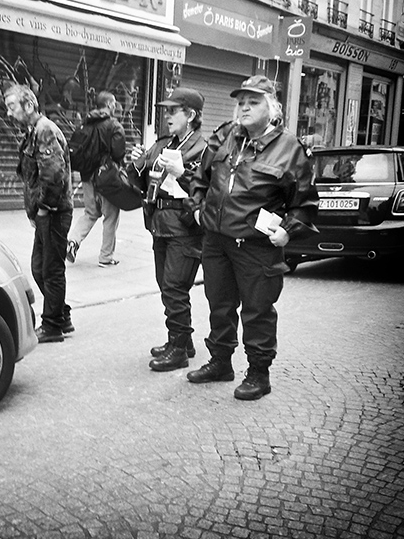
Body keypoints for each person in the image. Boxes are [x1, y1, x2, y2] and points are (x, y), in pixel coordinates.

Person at [187, 76, 319, 400]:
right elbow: (199, 178)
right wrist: (196, 208)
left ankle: (259, 373)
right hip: (216, 241)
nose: (244, 108)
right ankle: (220, 362)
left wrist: (288, 229)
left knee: (257, 310)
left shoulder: (291, 149)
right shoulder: (226, 136)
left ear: (271, 107)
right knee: (219, 305)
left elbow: (305, 204)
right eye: (241, 102)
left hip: (257, 246)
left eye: (253, 102)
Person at [128, 88, 207, 371]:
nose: (168, 115)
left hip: (184, 228)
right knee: (166, 285)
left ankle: (178, 350)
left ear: (191, 115)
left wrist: (181, 171)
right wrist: (137, 161)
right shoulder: (164, 143)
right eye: (167, 110)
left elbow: (203, 188)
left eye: (174, 111)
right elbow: (140, 179)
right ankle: (182, 339)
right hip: (160, 224)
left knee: (175, 286)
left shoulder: (202, 148)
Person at [4, 84, 74, 343]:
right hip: (44, 213)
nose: (9, 114)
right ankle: (62, 315)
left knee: (51, 270)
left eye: (12, 107)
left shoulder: (45, 131)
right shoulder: (32, 132)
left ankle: (53, 325)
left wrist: (44, 208)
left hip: (54, 212)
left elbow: (53, 174)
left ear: (29, 105)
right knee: (39, 268)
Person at [66, 91, 126, 267]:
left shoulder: (85, 123)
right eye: (114, 103)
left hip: (87, 178)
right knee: (111, 216)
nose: (116, 106)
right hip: (106, 178)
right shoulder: (114, 126)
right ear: (109, 104)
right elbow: (118, 153)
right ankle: (106, 257)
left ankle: (73, 241)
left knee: (91, 213)